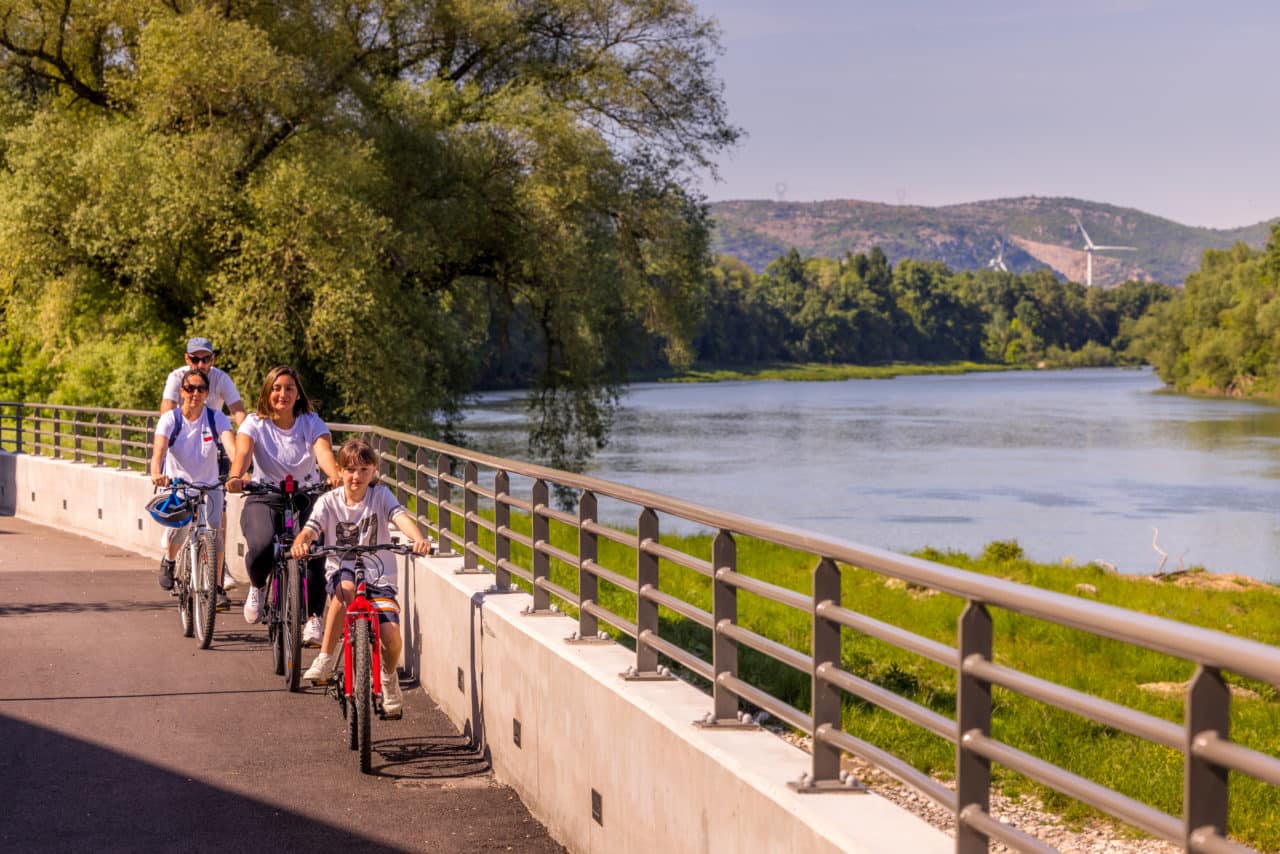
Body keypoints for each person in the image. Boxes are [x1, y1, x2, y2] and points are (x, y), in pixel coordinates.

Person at [291, 438, 432, 718]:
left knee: (391, 636)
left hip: (379, 573)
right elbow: (310, 530)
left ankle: (389, 679)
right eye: (350, 469)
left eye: (364, 470)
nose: (357, 476)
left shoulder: (380, 496)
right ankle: (326, 657)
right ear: (340, 471)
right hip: (342, 566)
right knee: (345, 590)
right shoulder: (328, 502)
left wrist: (419, 540)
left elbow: (400, 517)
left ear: (374, 471)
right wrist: (301, 543)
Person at [226, 366, 339, 647]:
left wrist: (334, 474)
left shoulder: (310, 421)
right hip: (265, 495)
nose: (282, 394)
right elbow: (242, 452)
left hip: (306, 495)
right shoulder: (255, 422)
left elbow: (323, 450)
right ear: (267, 392)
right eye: (277, 388)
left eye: (289, 388)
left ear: (298, 393)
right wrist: (236, 476)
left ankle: (313, 617)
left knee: (314, 552)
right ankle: (257, 586)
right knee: (262, 546)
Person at [161, 337, 246, 599]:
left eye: (206, 359)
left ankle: (218, 577)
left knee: (218, 513)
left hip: (214, 444)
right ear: (187, 360)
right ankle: (170, 558)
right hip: (183, 447)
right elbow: (166, 412)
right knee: (180, 518)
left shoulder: (221, 379)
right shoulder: (177, 378)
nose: (201, 363)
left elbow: (238, 412)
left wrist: (246, 446)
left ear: (213, 360)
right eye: (195, 359)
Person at [149, 369, 236, 595]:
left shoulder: (215, 417)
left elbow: (231, 446)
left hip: (210, 484)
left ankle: (217, 586)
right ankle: (169, 560)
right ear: (181, 392)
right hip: (180, 484)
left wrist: (238, 472)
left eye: (201, 389)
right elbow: (158, 451)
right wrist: (156, 472)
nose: (195, 393)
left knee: (215, 531)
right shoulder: (171, 419)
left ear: (207, 393)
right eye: (190, 388)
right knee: (182, 527)